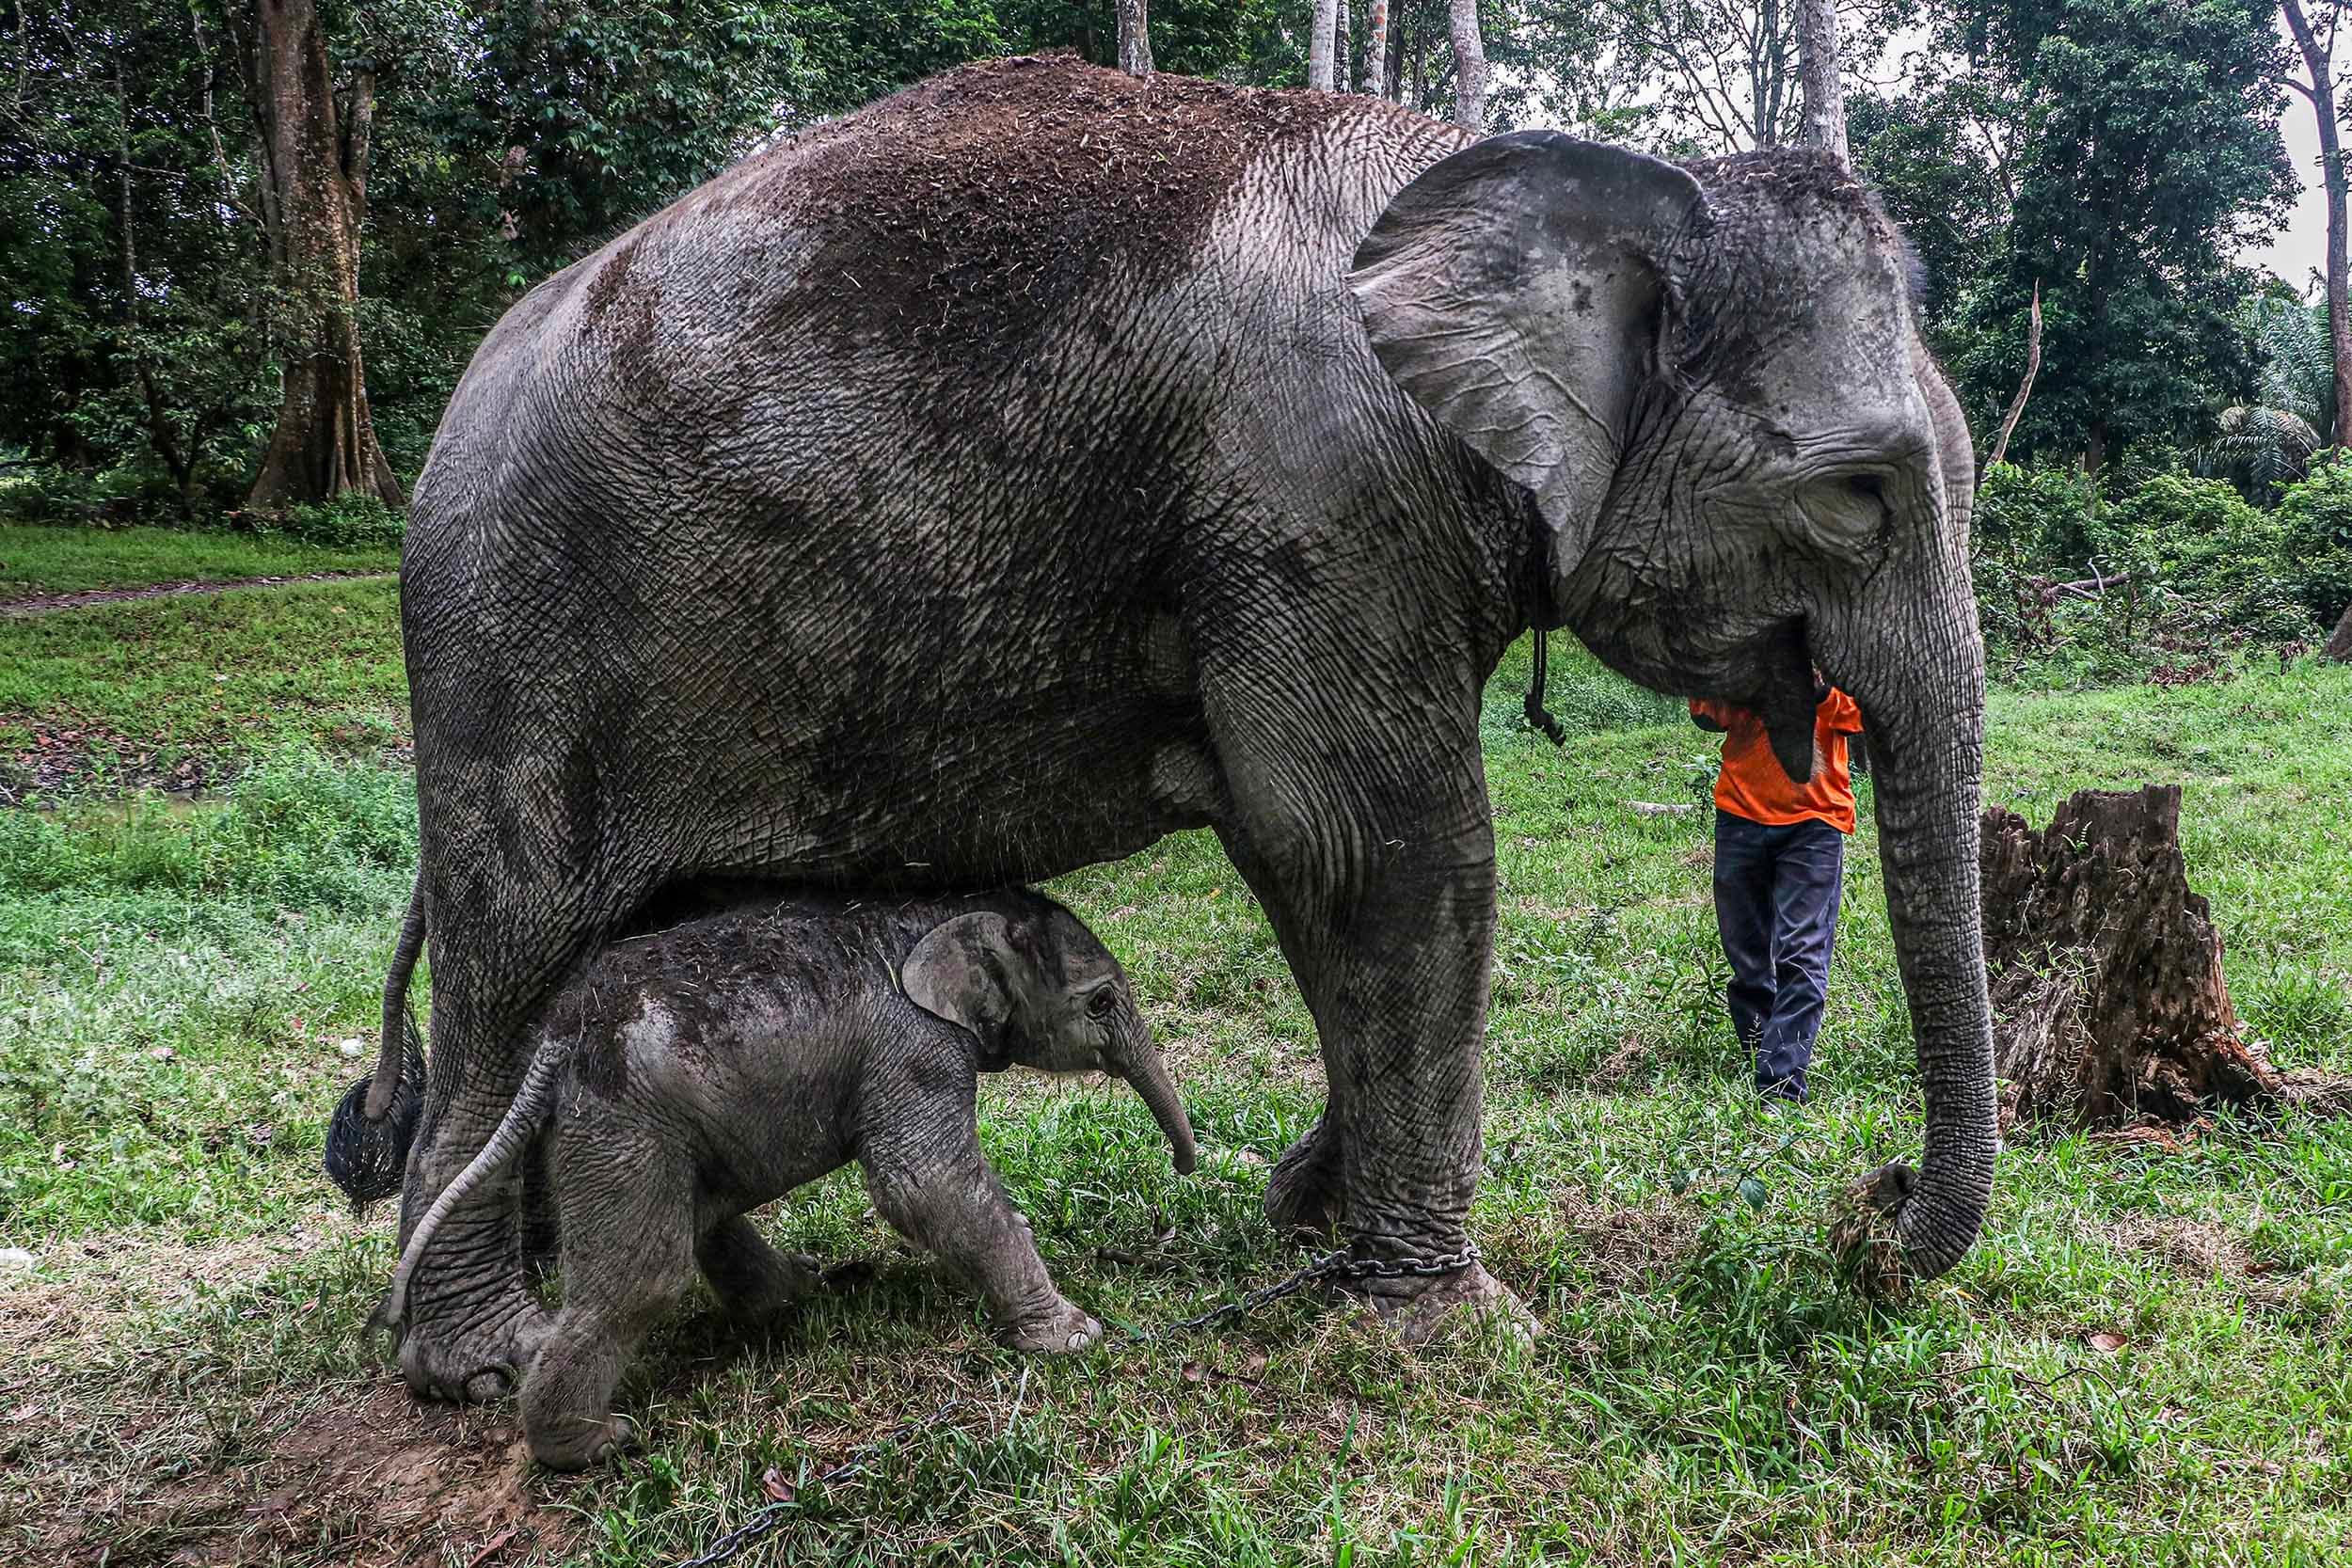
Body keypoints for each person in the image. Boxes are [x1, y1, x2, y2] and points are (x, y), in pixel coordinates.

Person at [1690, 675, 1865, 1105]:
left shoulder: (1833, 642)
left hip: (1814, 823)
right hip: (1739, 814)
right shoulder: (1753, 631)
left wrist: (1819, 690)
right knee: (1746, 954)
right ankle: (1760, 1049)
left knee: (1801, 954)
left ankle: (1780, 1088)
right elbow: (1708, 713)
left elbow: (1860, 714)